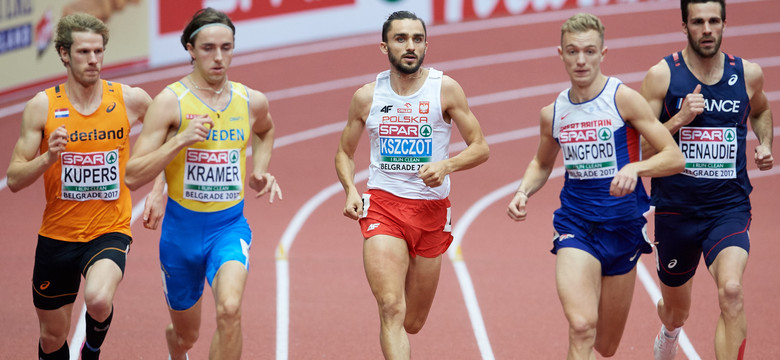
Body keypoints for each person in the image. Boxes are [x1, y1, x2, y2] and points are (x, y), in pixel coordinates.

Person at [506, 13, 685, 359]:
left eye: (589, 51)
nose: (581, 60)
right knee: (582, 326)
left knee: (605, 345)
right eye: (572, 51)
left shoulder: (623, 99)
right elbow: (541, 163)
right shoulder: (554, 112)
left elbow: (673, 157)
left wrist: (636, 167)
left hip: (624, 229)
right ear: (560, 54)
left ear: (604, 53)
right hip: (577, 227)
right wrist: (522, 191)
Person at [124, 7, 282, 360]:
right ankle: (176, 349)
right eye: (209, 48)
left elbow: (266, 129)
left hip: (228, 227)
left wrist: (261, 169)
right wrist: (179, 141)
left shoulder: (250, 100)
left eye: (227, 47)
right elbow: (132, 175)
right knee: (186, 335)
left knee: (229, 310)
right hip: (180, 234)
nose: (219, 57)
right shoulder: (170, 103)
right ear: (190, 49)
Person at [335, 10, 489, 360]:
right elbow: (344, 153)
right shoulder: (367, 97)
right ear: (384, 45)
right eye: (401, 39)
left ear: (425, 45)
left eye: (417, 39)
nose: (410, 46)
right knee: (391, 307)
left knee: (414, 320)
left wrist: (447, 165)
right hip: (384, 208)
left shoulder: (445, 89)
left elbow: (481, 147)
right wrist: (350, 189)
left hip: (431, 211)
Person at [5, 13, 151, 360]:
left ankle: (92, 348)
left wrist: (158, 189)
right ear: (63, 54)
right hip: (57, 235)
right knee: (53, 337)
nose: (94, 60)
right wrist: (48, 159)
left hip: (109, 230)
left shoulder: (129, 99)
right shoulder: (42, 107)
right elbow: (13, 179)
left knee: (99, 299)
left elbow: (168, 131)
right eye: (84, 52)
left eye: (99, 52)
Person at [640, 1, 774, 359]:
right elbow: (637, 147)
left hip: (726, 207)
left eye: (714, 21)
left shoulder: (747, 74)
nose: (707, 29)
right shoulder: (662, 76)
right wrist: (678, 119)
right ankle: (669, 334)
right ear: (684, 26)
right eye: (698, 22)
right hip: (675, 212)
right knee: (675, 310)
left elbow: (760, 110)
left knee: (731, 290)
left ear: (725, 24)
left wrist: (763, 142)